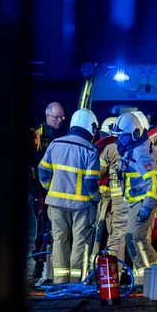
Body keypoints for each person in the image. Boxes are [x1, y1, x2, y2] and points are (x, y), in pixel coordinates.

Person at [38, 108, 100, 284]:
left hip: (56, 205)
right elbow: (90, 183)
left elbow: (43, 172)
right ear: (91, 128)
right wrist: (96, 199)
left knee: (59, 241)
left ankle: (59, 281)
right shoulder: (90, 150)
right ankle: (76, 283)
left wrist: (50, 189)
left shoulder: (55, 144)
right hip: (81, 206)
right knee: (80, 243)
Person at [112, 111, 157, 286]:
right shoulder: (134, 147)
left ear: (134, 133)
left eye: (124, 136)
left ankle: (154, 277)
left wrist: (147, 206)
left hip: (143, 201)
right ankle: (146, 279)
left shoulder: (140, 153)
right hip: (136, 201)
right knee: (134, 239)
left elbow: (155, 181)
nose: (121, 140)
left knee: (136, 239)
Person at [29, 102, 66, 279]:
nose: (60, 120)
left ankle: (51, 267)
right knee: (42, 225)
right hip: (38, 188)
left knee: (54, 227)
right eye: (56, 117)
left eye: (62, 117)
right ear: (47, 116)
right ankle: (39, 264)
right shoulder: (36, 135)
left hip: (56, 188)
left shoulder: (61, 136)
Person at [92, 117, 128, 266]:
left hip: (107, 201)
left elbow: (97, 173)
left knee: (101, 238)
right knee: (120, 237)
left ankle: (99, 273)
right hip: (123, 201)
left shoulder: (108, 149)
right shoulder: (135, 148)